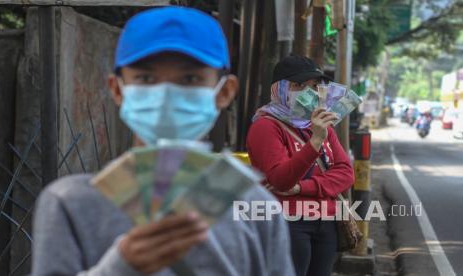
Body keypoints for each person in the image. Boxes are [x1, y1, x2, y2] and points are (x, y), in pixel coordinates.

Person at [31, 7, 295, 276]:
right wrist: (120, 267)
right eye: (146, 78)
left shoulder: (254, 206)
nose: (166, 94)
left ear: (224, 92)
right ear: (117, 89)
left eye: (190, 78)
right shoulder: (70, 202)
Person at [246, 55, 355, 276]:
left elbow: (345, 173)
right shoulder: (266, 127)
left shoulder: (321, 125)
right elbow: (281, 179)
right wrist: (315, 141)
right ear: (281, 88)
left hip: (326, 220)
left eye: (314, 86)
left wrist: (302, 188)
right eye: (299, 85)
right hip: (288, 221)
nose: (309, 92)